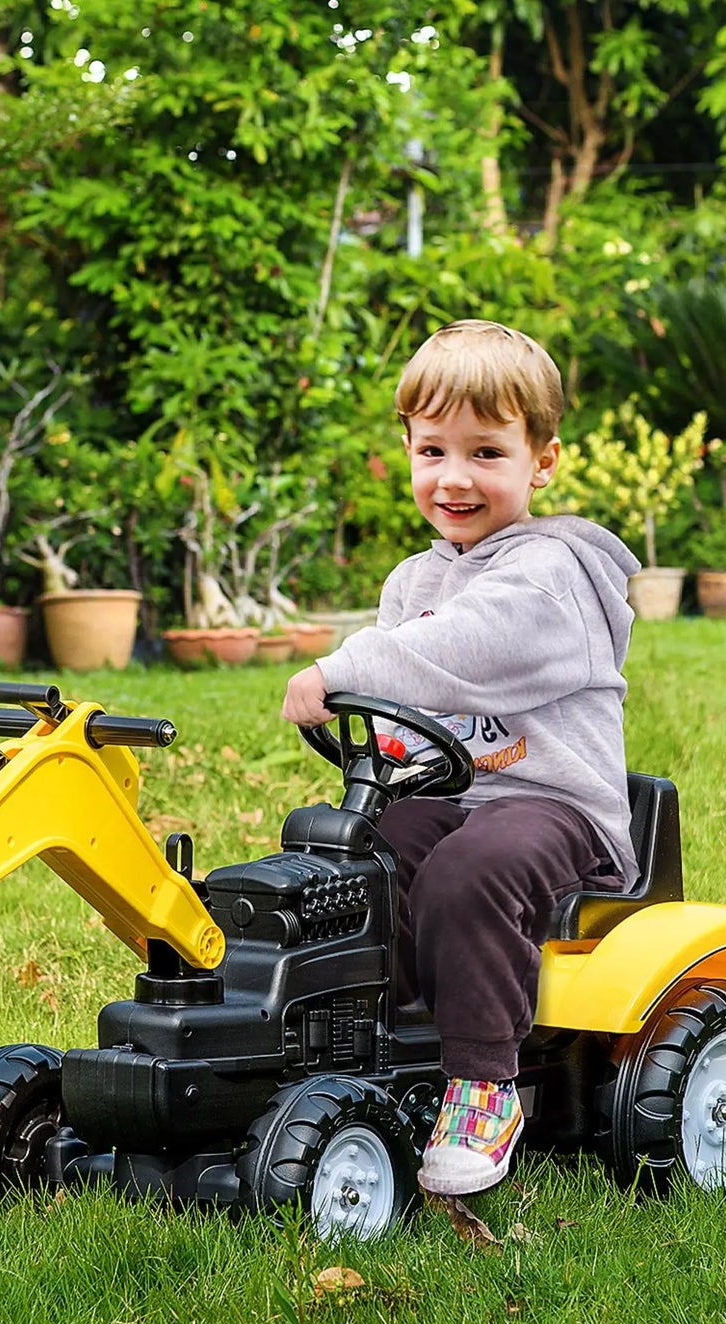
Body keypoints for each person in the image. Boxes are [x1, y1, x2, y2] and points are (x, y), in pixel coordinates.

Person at [281, 318, 641, 1197]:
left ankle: (485, 1084)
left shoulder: (551, 573)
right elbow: (409, 704)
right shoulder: (413, 580)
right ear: (405, 448)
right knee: (353, 856)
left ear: (540, 461)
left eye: (486, 453)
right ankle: (364, 1049)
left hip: (556, 808)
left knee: (469, 869)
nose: (454, 477)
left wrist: (340, 666)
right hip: (455, 794)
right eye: (433, 449)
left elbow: (465, 647)